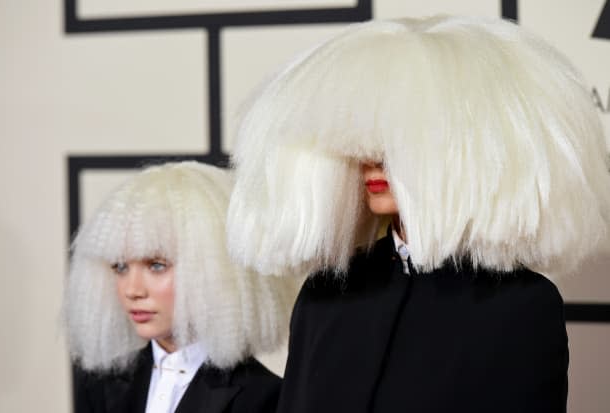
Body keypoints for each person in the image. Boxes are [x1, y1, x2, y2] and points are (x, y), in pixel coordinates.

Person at [226, 15, 610, 412]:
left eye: (396, 141)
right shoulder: (325, 294)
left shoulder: (520, 306)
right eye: (362, 135)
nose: (371, 158)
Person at [63, 161, 298, 413]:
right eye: (120, 267)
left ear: (213, 271)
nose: (132, 290)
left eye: (156, 265)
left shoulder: (263, 398)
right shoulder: (100, 384)